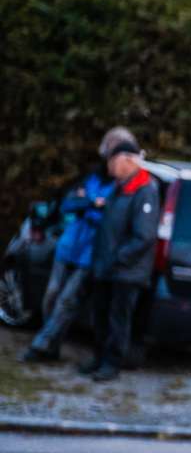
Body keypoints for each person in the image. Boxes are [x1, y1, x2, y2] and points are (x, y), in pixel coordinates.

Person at [18, 148, 114, 363]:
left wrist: (87, 203)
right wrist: (92, 203)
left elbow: (111, 217)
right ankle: (52, 346)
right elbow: (68, 205)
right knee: (51, 297)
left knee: (66, 300)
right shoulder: (91, 179)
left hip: (90, 253)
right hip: (68, 246)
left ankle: (40, 345)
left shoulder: (117, 187)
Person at [79, 131, 160, 381]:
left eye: (112, 161)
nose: (109, 167)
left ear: (127, 160)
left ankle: (112, 363)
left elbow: (144, 236)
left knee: (118, 319)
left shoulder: (145, 190)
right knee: (100, 315)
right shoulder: (119, 187)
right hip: (107, 266)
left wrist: (118, 258)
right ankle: (99, 357)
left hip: (126, 271)